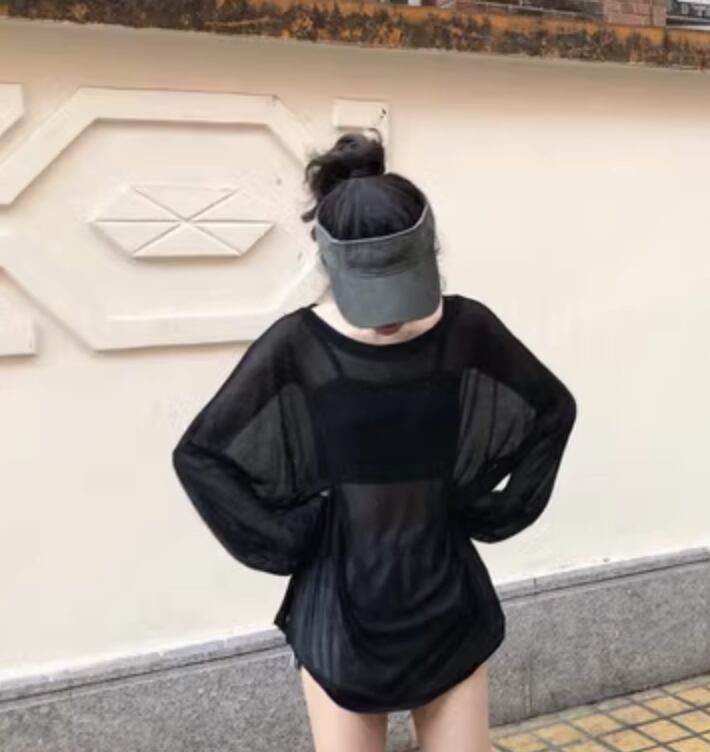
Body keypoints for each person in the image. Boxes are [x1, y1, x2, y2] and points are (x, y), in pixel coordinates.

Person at [171, 130, 577, 752]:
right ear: (330, 265)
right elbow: (202, 455)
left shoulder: (467, 329)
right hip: (341, 616)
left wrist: (487, 507)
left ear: (428, 254)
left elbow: (551, 410)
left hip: (446, 602)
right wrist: (292, 536)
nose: (386, 315)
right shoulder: (298, 345)